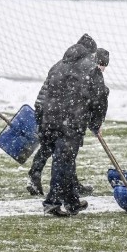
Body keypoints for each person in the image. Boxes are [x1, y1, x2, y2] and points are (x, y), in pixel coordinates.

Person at [38, 34, 108, 217]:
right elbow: (99, 99)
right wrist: (96, 124)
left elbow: (45, 94)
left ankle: (72, 202)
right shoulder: (91, 70)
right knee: (64, 161)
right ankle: (52, 202)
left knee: (65, 160)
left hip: (50, 120)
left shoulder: (57, 66)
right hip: (71, 123)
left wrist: (42, 120)